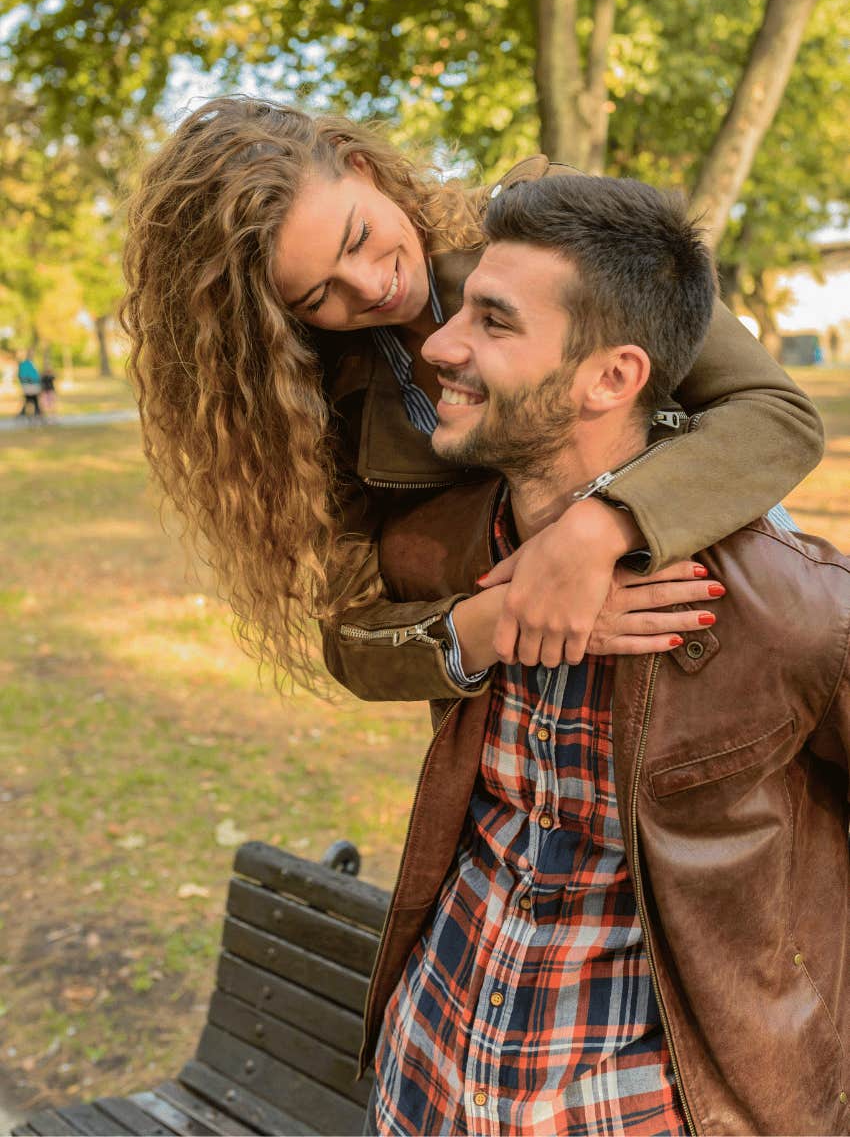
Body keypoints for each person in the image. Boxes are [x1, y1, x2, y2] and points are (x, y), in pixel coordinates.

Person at [353, 173, 850, 1137]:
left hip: (645, 1103)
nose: (439, 345)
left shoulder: (787, 612)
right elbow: (346, 643)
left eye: (493, 323)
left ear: (613, 378)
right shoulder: (439, 551)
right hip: (422, 1070)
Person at [122, 97, 823, 700]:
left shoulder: (546, 226)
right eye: (317, 295)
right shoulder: (319, 405)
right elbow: (354, 636)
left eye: (360, 237)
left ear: (361, 169)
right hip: (519, 720)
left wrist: (600, 529)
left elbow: (774, 415)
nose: (368, 287)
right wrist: (515, 614)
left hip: (723, 639)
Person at [17, 349, 42, 420]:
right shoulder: (25, 364)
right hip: (29, 385)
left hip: (34, 384)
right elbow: (22, 375)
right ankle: (34, 413)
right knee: (30, 399)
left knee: (32, 399)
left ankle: (35, 413)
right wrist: (28, 380)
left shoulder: (32, 363)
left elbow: (36, 375)